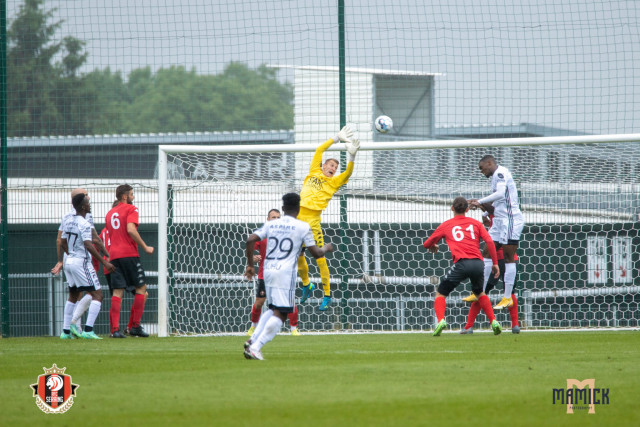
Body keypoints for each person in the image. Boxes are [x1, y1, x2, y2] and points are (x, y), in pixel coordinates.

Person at [243, 193, 334, 360]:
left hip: (267, 271)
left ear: (283, 208)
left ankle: (252, 340)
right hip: (284, 274)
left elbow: (250, 240)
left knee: (273, 308)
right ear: (298, 208)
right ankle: (256, 347)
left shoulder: (271, 224)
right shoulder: (303, 226)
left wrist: (250, 265)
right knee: (282, 313)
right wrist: (327, 247)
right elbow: (316, 253)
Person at [298, 125, 359, 311]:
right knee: (297, 255)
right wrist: (336, 138)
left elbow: (348, 173)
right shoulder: (314, 172)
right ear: (323, 166)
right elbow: (319, 149)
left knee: (319, 257)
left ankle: (327, 295)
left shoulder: (334, 182)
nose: (333, 168)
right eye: (331, 165)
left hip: (313, 221)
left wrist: (352, 156)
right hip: (298, 218)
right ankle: (307, 285)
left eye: (335, 167)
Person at [422, 197, 502, 336]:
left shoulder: (446, 225)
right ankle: (494, 321)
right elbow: (489, 241)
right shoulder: (476, 224)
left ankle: (441, 321)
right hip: (478, 264)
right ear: (467, 209)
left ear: (452, 208)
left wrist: (433, 245)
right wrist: (495, 263)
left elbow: (426, 244)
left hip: (461, 264)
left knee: (441, 293)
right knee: (480, 293)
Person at [468, 154, 525, 310]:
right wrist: (485, 213)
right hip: (499, 221)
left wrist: (480, 201)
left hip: (510, 220)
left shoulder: (501, 173)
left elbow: (500, 194)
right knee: (486, 253)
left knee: (508, 257)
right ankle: (479, 292)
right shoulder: (495, 177)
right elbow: (499, 201)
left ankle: (507, 297)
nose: (481, 172)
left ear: (489, 163)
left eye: (482, 168)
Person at [51, 188, 108, 339]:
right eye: (87, 197)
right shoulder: (85, 220)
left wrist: (65, 257)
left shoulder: (67, 217)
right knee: (97, 294)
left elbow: (61, 240)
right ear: (82, 204)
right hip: (81, 260)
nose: (89, 200)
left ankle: (66, 332)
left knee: (73, 294)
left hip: (69, 259)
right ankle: (87, 330)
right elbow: (92, 241)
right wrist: (106, 258)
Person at [461, 204, 521, 334]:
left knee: (484, 292)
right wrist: (482, 211)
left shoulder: (498, 211)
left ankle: (469, 326)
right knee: (500, 292)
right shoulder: (502, 216)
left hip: (498, 260)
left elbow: (490, 208)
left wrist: (479, 203)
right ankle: (515, 326)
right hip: (505, 260)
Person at [105, 184, 154, 338]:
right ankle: (135, 326)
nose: (133, 197)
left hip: (114, 256)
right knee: (141, 288)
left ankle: (114, 330)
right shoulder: (131, 209)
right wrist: (145, 247)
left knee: (117, 291)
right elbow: (131, 230)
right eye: (132, 194)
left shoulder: (109, 213)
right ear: (125, 196)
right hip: (129, 254)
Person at [246, 209, 302, 337]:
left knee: (289, 301)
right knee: (259, 302)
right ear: (268, 219)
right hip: (265, 274)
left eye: (278, 217)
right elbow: (251, 250)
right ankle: (253, 326)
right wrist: (254, 258)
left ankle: (294, 329)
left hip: (283, 274)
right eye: (273, 217)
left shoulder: (286, 235)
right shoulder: (262, 235)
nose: (276, 219)